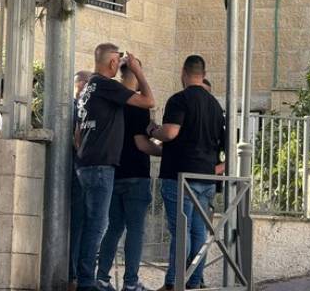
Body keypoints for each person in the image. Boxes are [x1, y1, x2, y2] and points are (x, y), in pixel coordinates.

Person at [74, 43, 155, 291]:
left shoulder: (88, 88)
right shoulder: (107, 85)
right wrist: (138, 70)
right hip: (104, 168)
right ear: (112, 63)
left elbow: (77, 135)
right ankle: (88, 283)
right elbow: (149, 101)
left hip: (87, 165)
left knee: (96, 225)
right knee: (100, 226)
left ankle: (92, 279)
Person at [148, 55, 224, 290]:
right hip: (206, 177)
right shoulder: (215, 105)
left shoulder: (179, 99)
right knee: (198, 232)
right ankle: (193, 281)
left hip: (179, 175)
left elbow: (170, 133)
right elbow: (224, 144)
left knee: (181, 232)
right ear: (203, 73)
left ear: (183, 71)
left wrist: (153, 130)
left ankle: (173, 283)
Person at [96, 61, 162, 291]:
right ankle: (131, 282)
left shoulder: (111, 99)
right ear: (135, 73)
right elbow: (141, 144)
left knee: (113, 228)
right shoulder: (137, 103)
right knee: (135, 230)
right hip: (136, 174)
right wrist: (165, 152)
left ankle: (101, 278)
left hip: (113, 172)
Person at [69, 70, 92, 291]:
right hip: (78, 172)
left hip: (79, 171)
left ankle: (76, 272)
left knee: (83, 224)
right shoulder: (75, 107)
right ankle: (73, 273)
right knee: (78, 224)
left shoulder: (80, 106)